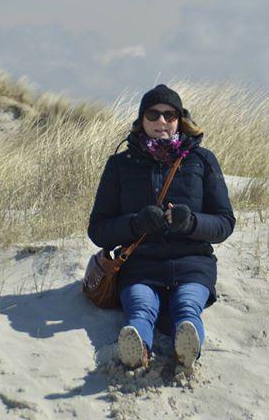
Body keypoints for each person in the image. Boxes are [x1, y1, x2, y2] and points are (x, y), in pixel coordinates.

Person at [87, 84, 235, 371]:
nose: (162, 121)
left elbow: (224, 223)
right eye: (153, 114)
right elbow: (98, 230)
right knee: (140, 309)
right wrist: (136, 223)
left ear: (180, 119)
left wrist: (190, 222)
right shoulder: (120, 164)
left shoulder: (202, 160)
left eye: (170, 115)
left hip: (192, 263)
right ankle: (137, 349)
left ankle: (187, 350)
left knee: (187, 309)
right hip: (140, 266)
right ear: (141, 119)